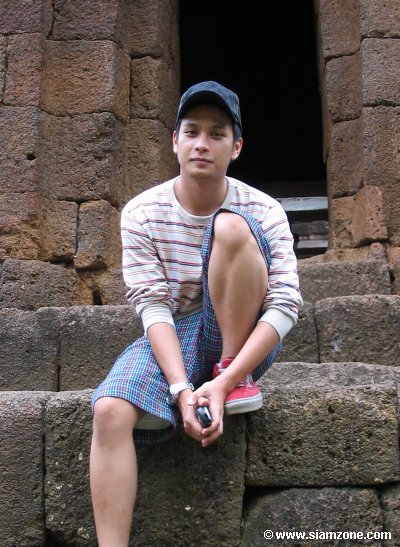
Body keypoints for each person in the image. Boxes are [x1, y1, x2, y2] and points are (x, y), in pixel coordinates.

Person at [89, 80, 303, 546]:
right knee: (108, 410)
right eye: (191, 132)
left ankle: (229, 372)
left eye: (217, 133)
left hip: (243, 340)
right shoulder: (142, 212)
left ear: (236, 146)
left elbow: (286, 302)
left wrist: (226, 382)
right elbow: (153, 305)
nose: (202, 144)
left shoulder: (263, 208)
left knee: (231, 227)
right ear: (175, 141)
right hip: (179, 338)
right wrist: (181, 388)